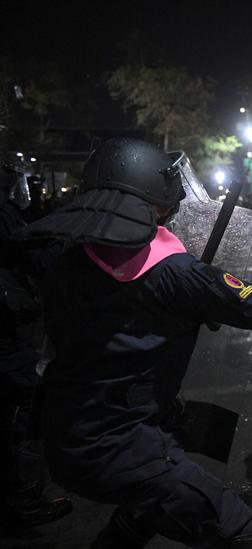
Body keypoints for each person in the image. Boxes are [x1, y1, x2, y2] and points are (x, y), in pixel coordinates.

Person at [13, 138, 252, 549]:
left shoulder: (67, 259)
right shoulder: (175, 273)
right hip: (123, 446)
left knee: (145, 510)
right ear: (159, 202)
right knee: (243, 531)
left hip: (67, 434)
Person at [0, 162, 72, 534]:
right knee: (17, 411)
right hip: (6, 335)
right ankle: (22, 500)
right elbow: (36, 255)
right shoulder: (5, 212)